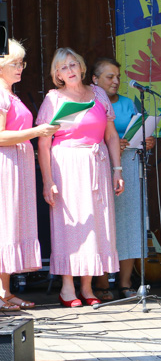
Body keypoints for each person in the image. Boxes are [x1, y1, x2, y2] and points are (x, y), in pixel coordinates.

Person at [36, 48, 124, 307]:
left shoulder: (98, 94)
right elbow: (43, 143)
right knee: (70, 226)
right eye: (63, 67)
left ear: (82, 67)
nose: (70, 70)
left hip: (97, 163)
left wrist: (117, 170)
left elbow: (111, 135)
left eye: (73, 64)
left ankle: (86, 287)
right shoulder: (54, 98)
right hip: (67, 166)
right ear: (57, 74)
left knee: (96, 224)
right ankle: (66, 288)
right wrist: (47, 180)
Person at [0, 40, 60, 311]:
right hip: (6, 165)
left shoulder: (11, 94)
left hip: (18, 165)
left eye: (21, 63)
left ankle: (5, 291)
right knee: (5, 226)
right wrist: (37, 132)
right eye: (15, 63)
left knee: (12, 226)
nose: (20, 68)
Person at [90, 57, 156, 299]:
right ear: (95, 80)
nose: (116, 81)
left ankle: (125, 284)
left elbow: (137, 129)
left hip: (128, 165)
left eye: (118, 76)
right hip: (101, 165)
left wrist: (145, 141)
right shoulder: (89, 103)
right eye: (110, 77)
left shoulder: (128, 102)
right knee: (103, 225)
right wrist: (112, 144)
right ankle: (101, 283)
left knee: (129, 223)